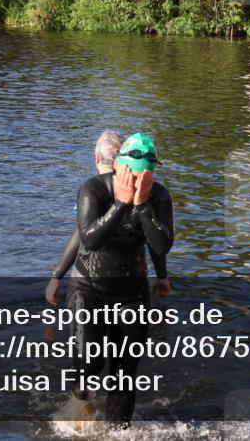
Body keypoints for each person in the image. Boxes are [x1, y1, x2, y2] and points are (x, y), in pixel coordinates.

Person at [66, 132, 174, 428]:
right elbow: (89, 239)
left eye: (147, 173)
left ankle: (117, 433)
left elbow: (162, 245)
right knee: (90, 363)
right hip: (88, 289)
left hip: (132, 293)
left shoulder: (159, 195)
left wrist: (141, 206)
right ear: (118, 167)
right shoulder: (94, 189)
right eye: (132, 171)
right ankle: (80, 399)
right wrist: (121, 204)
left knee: (124, 372)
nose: (139, 178)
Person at [45, 131, 171, 306]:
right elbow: (152, 239)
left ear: (97, 158)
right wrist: (162, 275)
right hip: (121, 283)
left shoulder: (93, 189)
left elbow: (78, 237)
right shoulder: (93, 189)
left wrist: (56, 277)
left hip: (102, 281)